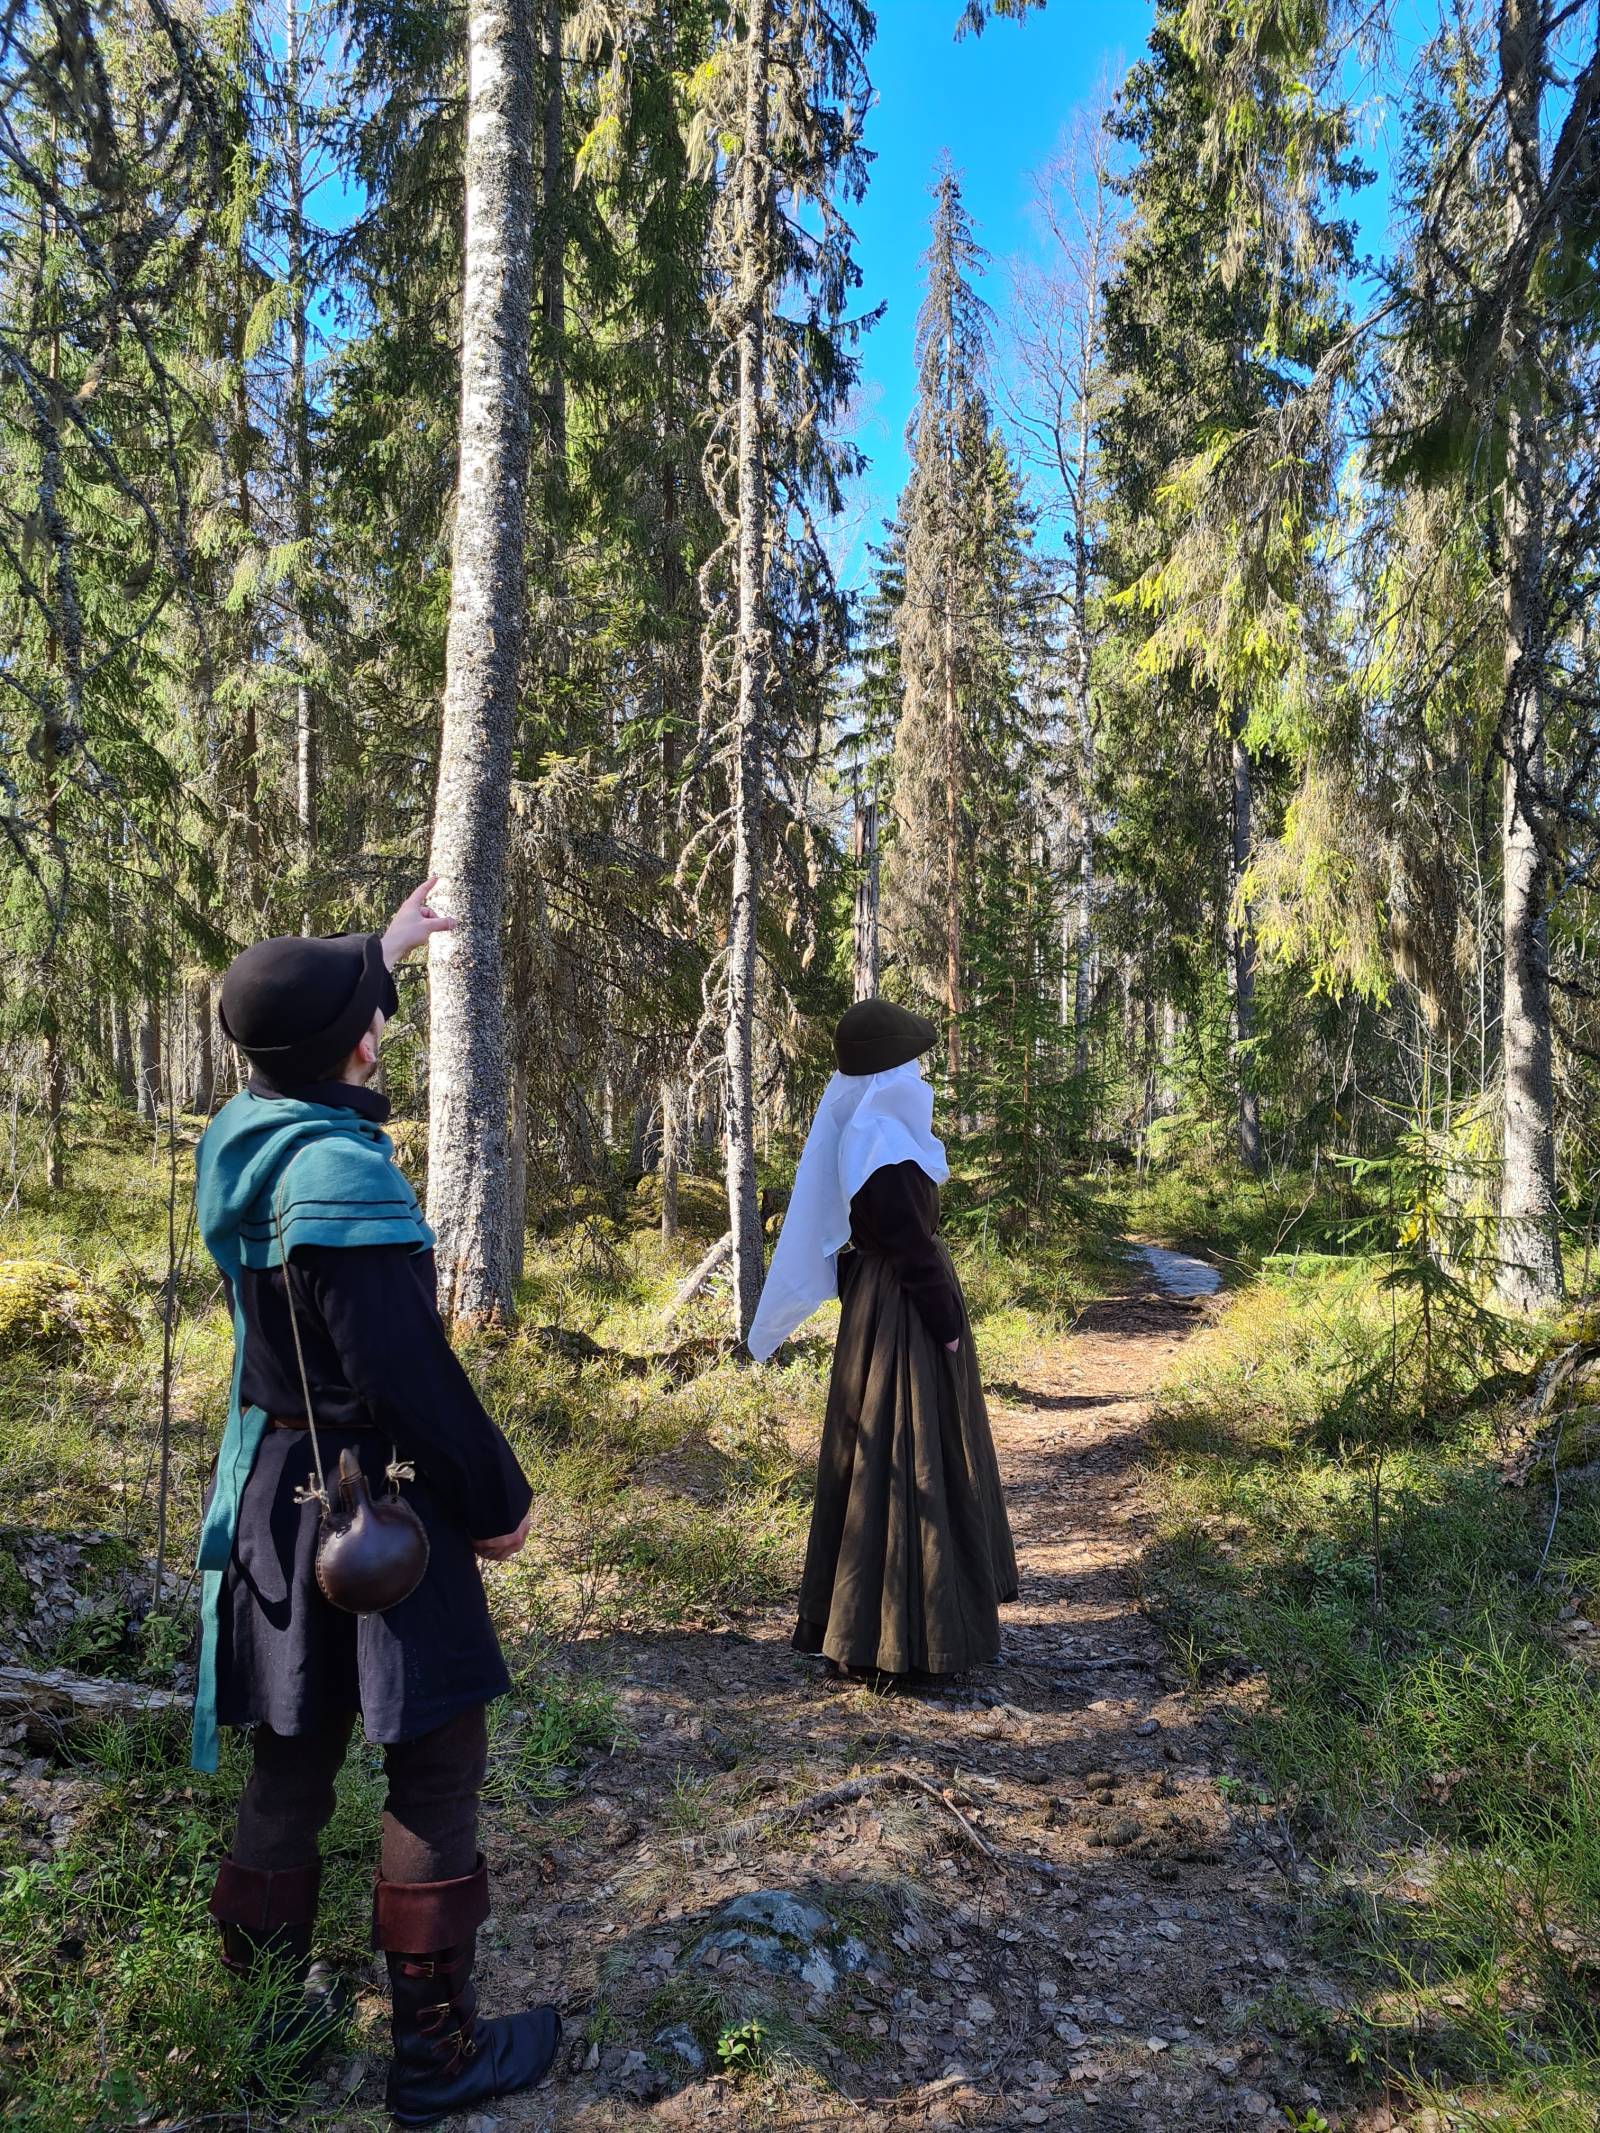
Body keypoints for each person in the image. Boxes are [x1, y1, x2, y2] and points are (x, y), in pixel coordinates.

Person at [192, 881, 561, 2126]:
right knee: (435, 1769)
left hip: (277, 1504)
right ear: (351, 1045)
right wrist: (497, 1497)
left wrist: (385, 946)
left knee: (292, 1760)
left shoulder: (249, 1131)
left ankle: (263, 2024)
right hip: (376, 1511)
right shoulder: (340, 1177)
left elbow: (286, 1022)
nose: (382, 1026)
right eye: (373, 1012)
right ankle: (436, 2055)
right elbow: (408, 1381)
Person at [748, 999, 1018, 1681]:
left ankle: (869, 1628)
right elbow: (905, 1242)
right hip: (902, 1316)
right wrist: (947, 1325)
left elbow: (858, 1239)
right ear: (888, 1072)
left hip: (878, 1309)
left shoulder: (869, 1132)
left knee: (881, 1461)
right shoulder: (881, 1141)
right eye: (911, 1064)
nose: (920, 1075)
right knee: (910, 1456)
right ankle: (907, 1637)